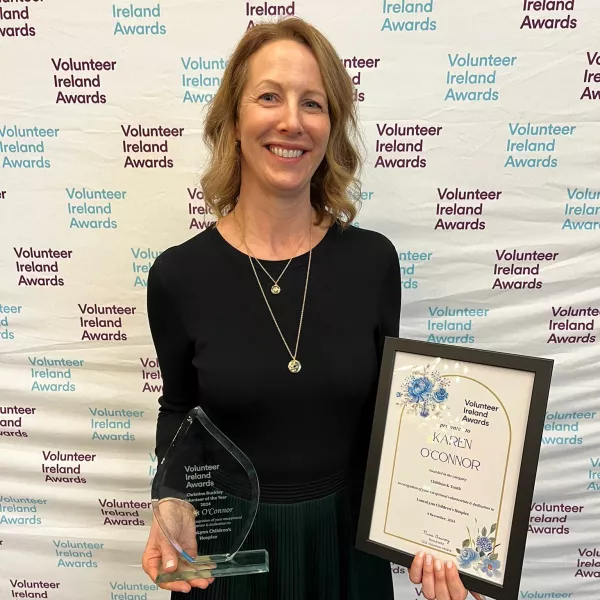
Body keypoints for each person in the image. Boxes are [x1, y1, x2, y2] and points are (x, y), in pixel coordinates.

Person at [142, 16, 484, 600]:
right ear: (233, 117)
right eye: (269, 97)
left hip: (346, 552)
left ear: (332, 127)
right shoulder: (178, 275)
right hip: (232, 559)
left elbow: (396, 423)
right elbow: (179, 409)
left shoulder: (373, 262)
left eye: (313, 103)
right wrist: (171, 499)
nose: (291, 122)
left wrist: (442, 525)